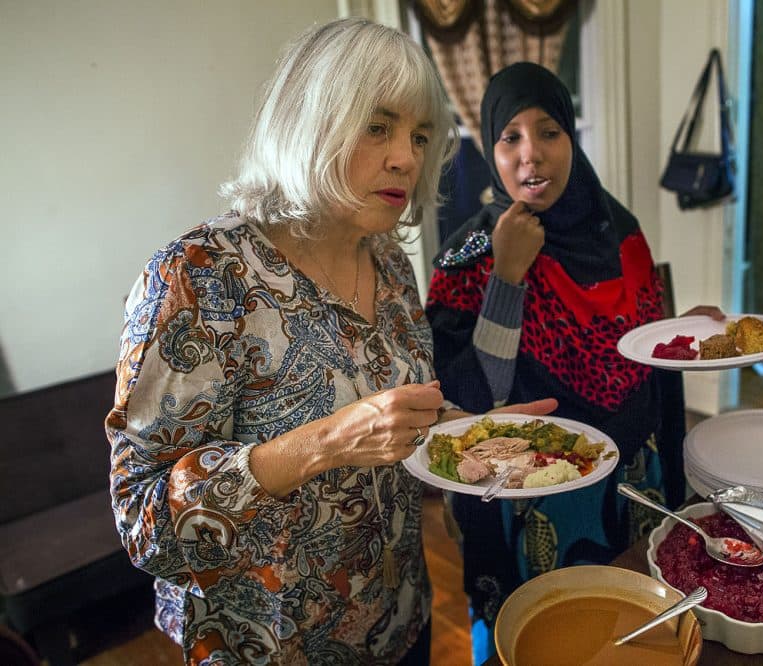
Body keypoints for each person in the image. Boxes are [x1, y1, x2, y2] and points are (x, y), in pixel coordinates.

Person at [106, 20, 553, 665]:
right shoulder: (201, 275)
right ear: (309, 121)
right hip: (270, 647)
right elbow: (142, 522)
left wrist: (472, 432)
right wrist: (324, 444)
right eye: (378, 126)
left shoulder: (392, 265)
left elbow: (394, 423)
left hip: (402, 621)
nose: (406, 155)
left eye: (420, 136)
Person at [425, 61, 724, 663]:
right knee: (537, 641)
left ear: (571, 138)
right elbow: (478, 399)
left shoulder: (621, 232)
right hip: (528, 495)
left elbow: (643, 358)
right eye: (510, 137)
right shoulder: (468, 255)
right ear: (489, 148)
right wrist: (508, 276)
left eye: (548, 132)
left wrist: (682, 333)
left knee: (630, 635)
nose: (530, 156)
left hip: (634, 484)